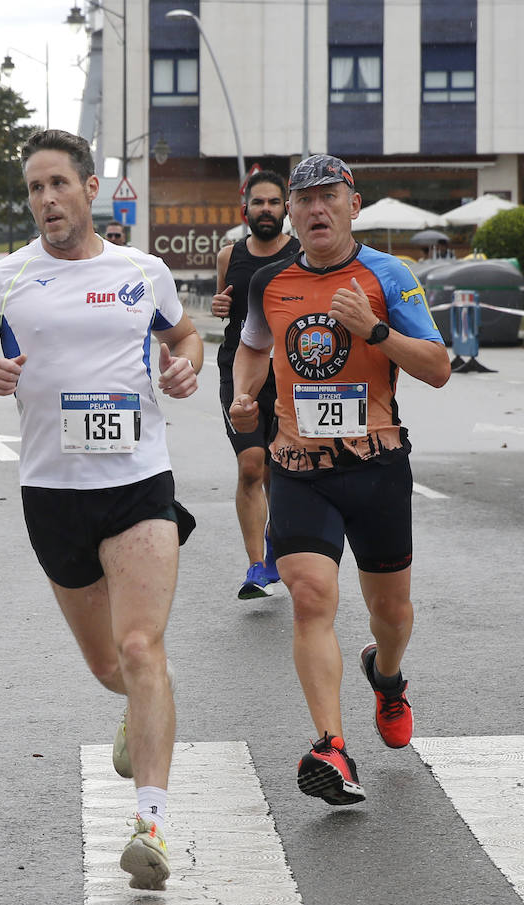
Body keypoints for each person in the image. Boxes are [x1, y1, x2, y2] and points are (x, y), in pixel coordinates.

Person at [0, 129, 202, 892]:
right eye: (33, 189)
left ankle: (149, 824)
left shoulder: (141, 272)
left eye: (58, 184)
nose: (46, 199)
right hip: (53, 494)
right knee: (109, 664)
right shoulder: (4, 281)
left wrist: (186, 364)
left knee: (143, 647)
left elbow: (185, 334)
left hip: (139, 483)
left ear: (90, 189)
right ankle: (142, 701)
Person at [229, 154, 451, 806]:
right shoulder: (269, 283)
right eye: (305, 200)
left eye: (330, 197)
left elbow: (438, 367)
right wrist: (245, 395)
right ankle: (332, 745)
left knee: (392, 612)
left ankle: (386, 678)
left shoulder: (388, 275)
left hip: (377, 464)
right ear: (290, 213)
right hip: (298, 469)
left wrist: (375, 330)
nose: (316, 209)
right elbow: (250, 345)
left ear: (354, 205)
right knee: (309, 596)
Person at [211, 170, 301, 599]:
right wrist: (219, 304)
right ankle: (256, 566)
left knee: (277, 468)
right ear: (244, 209)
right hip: (240, 368)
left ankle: (274, 545)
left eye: (274, 202)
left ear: (286, 208)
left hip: (289, 371)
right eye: (258, 202)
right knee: (251, 464)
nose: (266, 209)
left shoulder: (303, 254)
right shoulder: (229, 255)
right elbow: (224, 304)